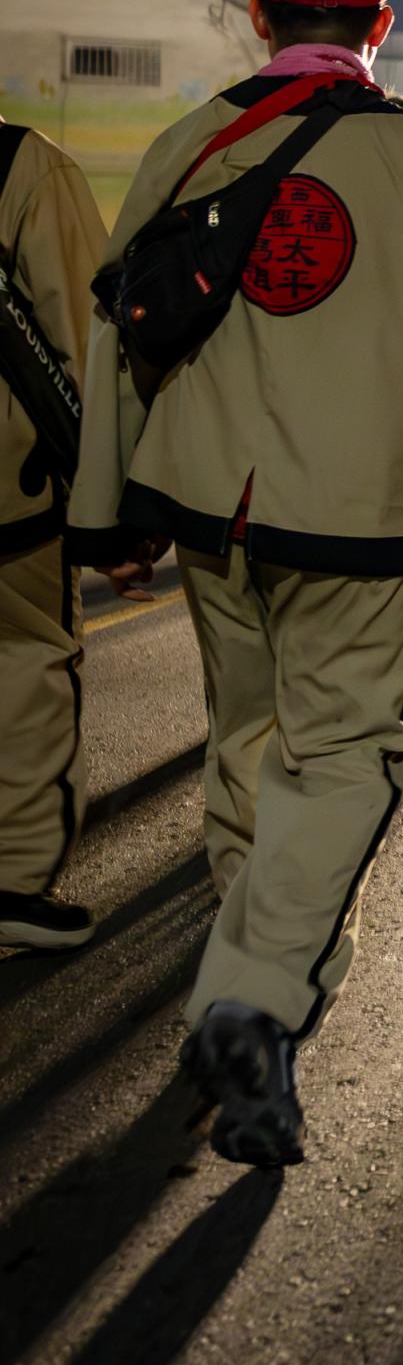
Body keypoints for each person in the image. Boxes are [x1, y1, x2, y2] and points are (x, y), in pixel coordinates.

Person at [69, 0, 403, 1162]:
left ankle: (262, 986)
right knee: (345, 762)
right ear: (378, 31)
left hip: (208, 511)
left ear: (258, 15)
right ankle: (252, 997)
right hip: (355, 521)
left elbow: (119, 326)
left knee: (246, 747)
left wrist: (108, 512)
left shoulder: (188, 145)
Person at [0, 115, 110, 949]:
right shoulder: (24, 166)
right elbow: (82, 339)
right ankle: (14, 885)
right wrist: (112, 501)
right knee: (27, 655)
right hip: (12, 489)